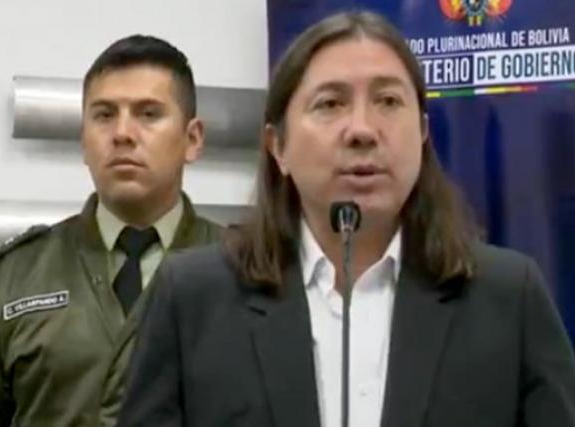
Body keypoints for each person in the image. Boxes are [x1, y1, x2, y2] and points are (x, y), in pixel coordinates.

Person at [116, 11, 575, 427]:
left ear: (422, 134)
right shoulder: (193, 298)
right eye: (330, 104)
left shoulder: (509, 297)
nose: (362, 130)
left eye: (388, 101)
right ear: (278, 147)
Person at [0, 34, 222, 426]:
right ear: (83, 141)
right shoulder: (16, 277)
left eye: (148, 114)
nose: (122, 133)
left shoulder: (247, 272)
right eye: (104, 115)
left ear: (192, 139)